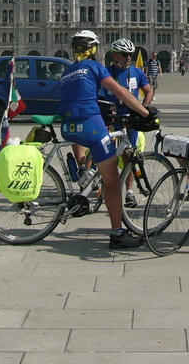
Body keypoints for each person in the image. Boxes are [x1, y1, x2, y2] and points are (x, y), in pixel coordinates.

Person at [58, 30, 157, 249]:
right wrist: (145, 113)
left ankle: (84, 174)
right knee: (112, 182)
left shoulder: (68, 71)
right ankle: (117, 234)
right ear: (93, 49)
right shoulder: (95, 67)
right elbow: (121, 93)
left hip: (68, 127)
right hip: (91, 127)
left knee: (95, 157)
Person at [104, 39, 155, 209]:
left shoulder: (136, 72)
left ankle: (129, 191)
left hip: (129, 120)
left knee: (129, 156)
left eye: (130, 55)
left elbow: (148, 90)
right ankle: (101, 185)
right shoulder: (106, 73)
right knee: (105, 155)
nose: (128, 58)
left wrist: (144, 107)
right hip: (110, 119)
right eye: (125, 55)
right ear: (115, 55)